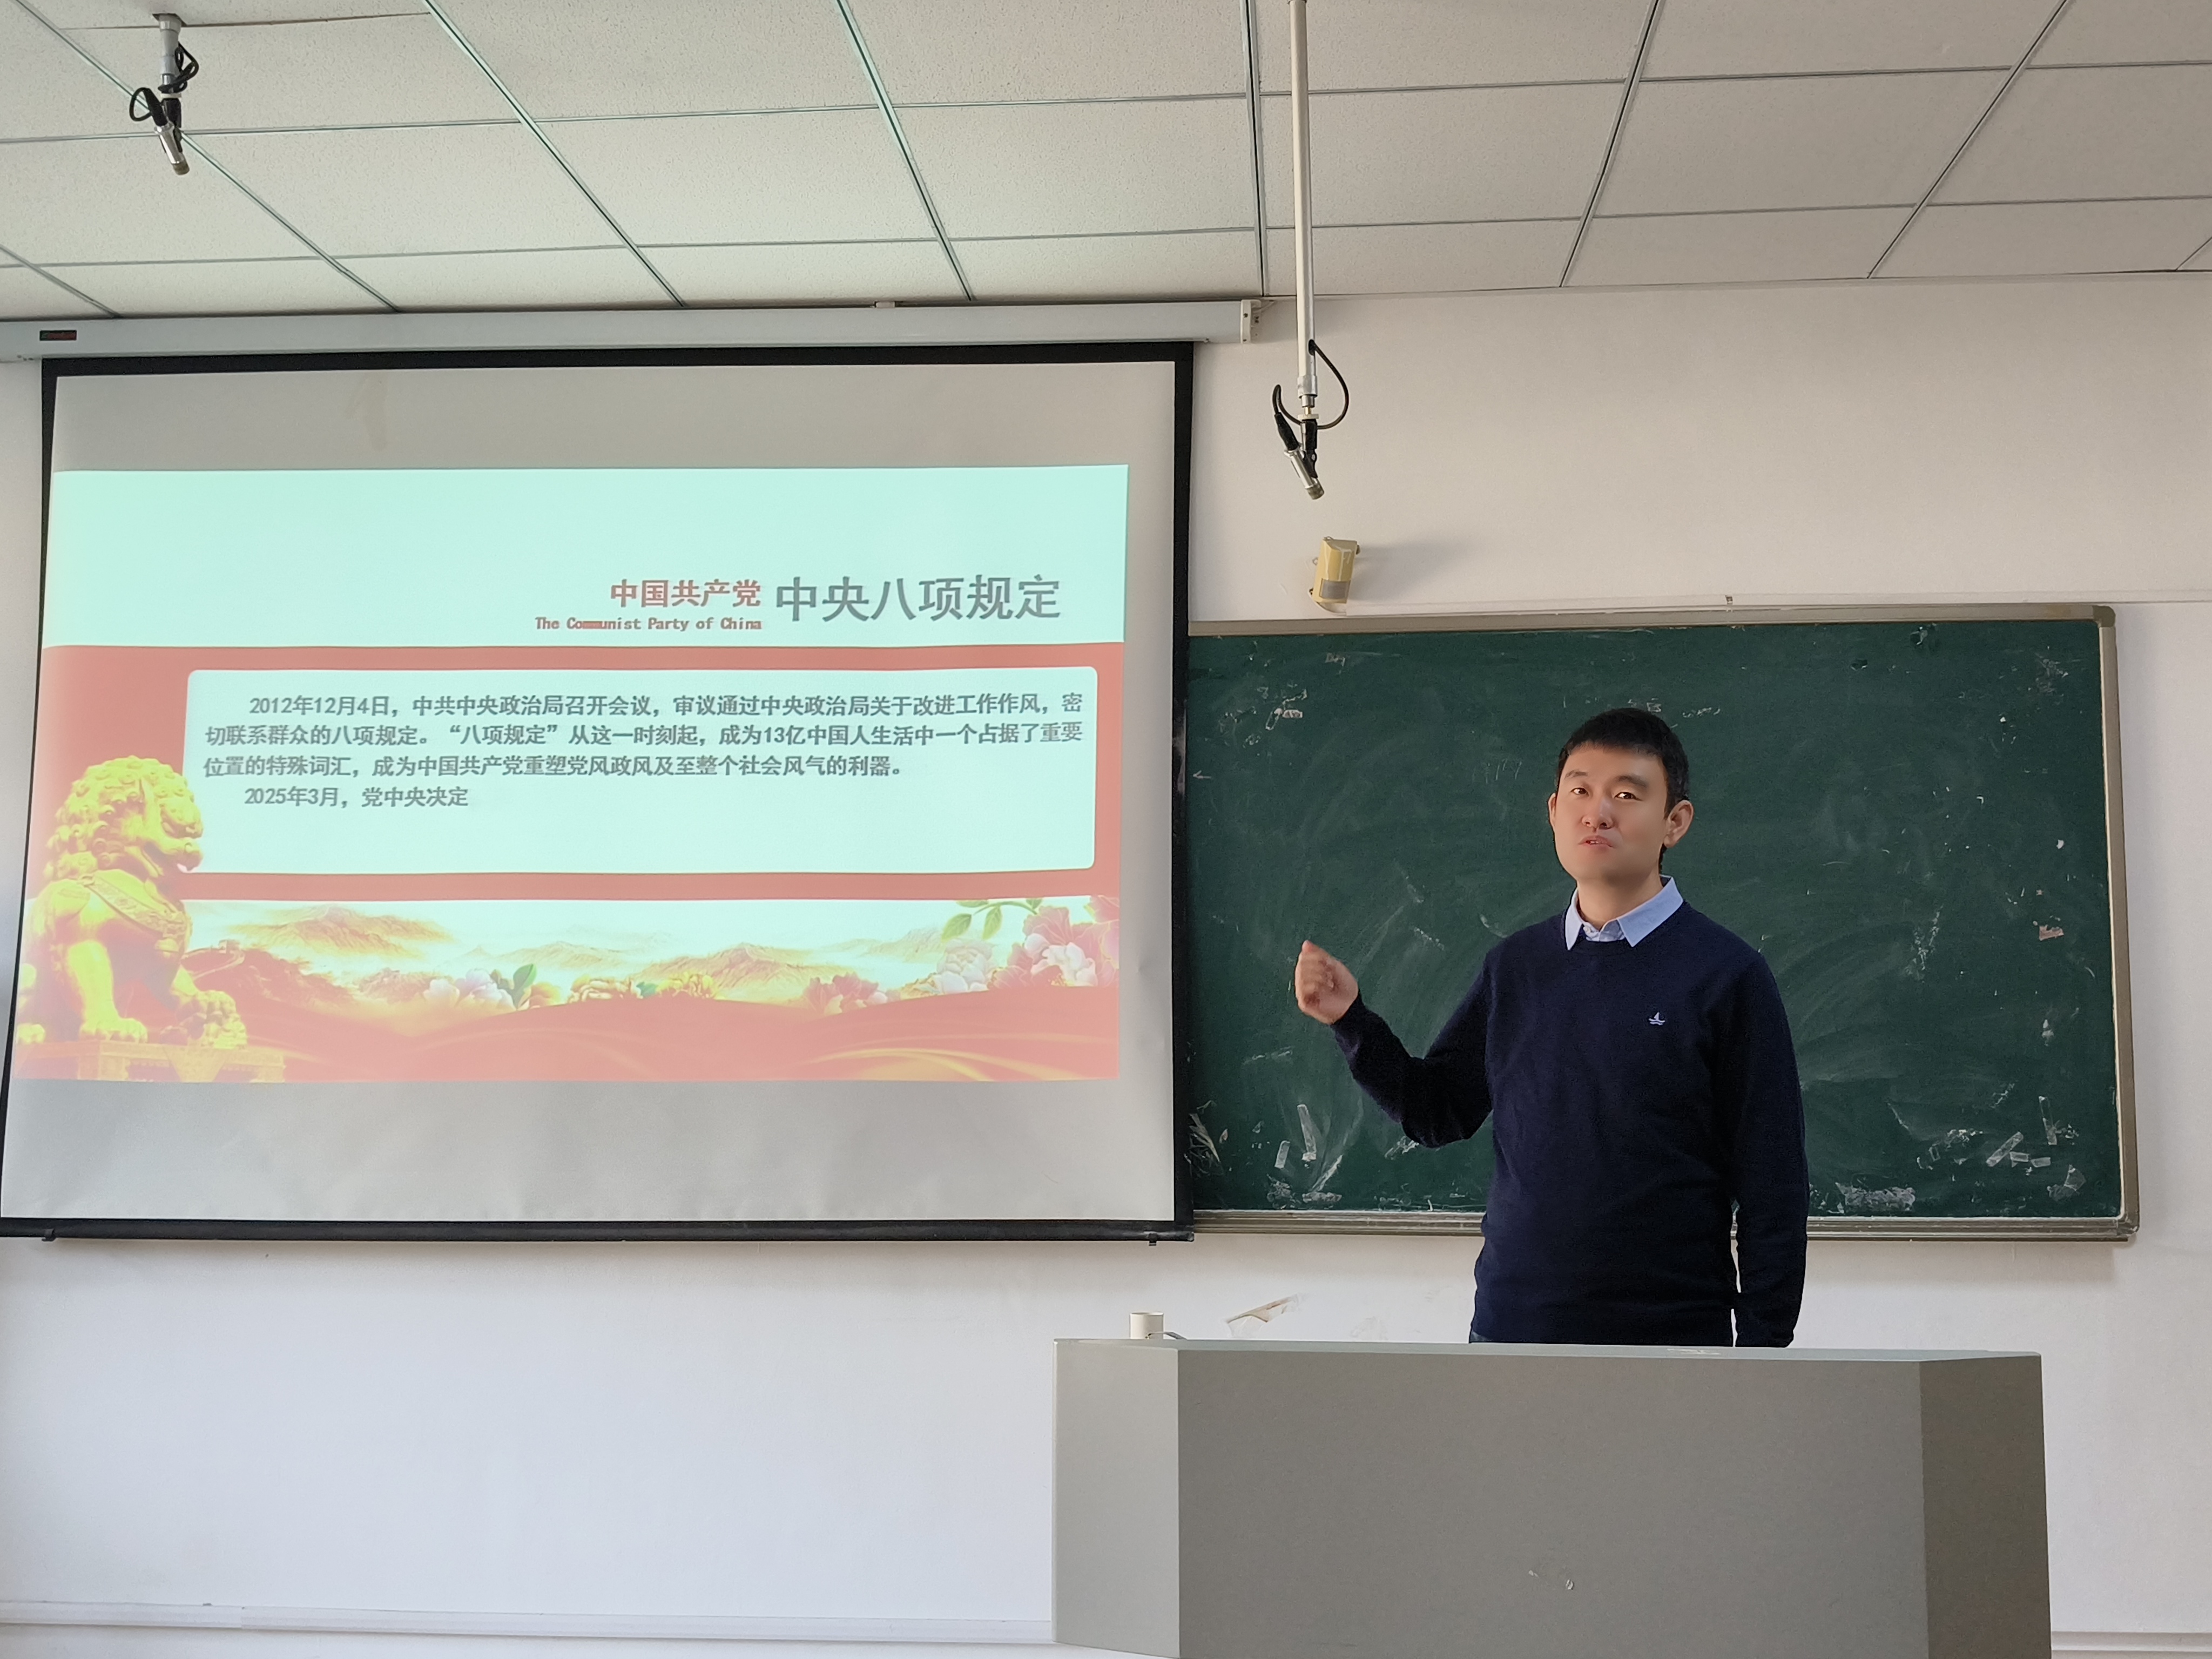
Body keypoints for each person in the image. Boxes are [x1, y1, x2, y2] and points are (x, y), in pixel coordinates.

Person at [1292, 707, 1809, 1347]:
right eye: (1580, 791)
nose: (1598, 813)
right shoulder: (1516, 967)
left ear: (1674, 822)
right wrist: (1351, 1021)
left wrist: (1761, 1351)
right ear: (1554, 812)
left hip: (1671, 1340)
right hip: (1514, 1329)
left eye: (1627, 795)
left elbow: (1772, 1180)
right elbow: (1438, 1113)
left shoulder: (1726, 975)